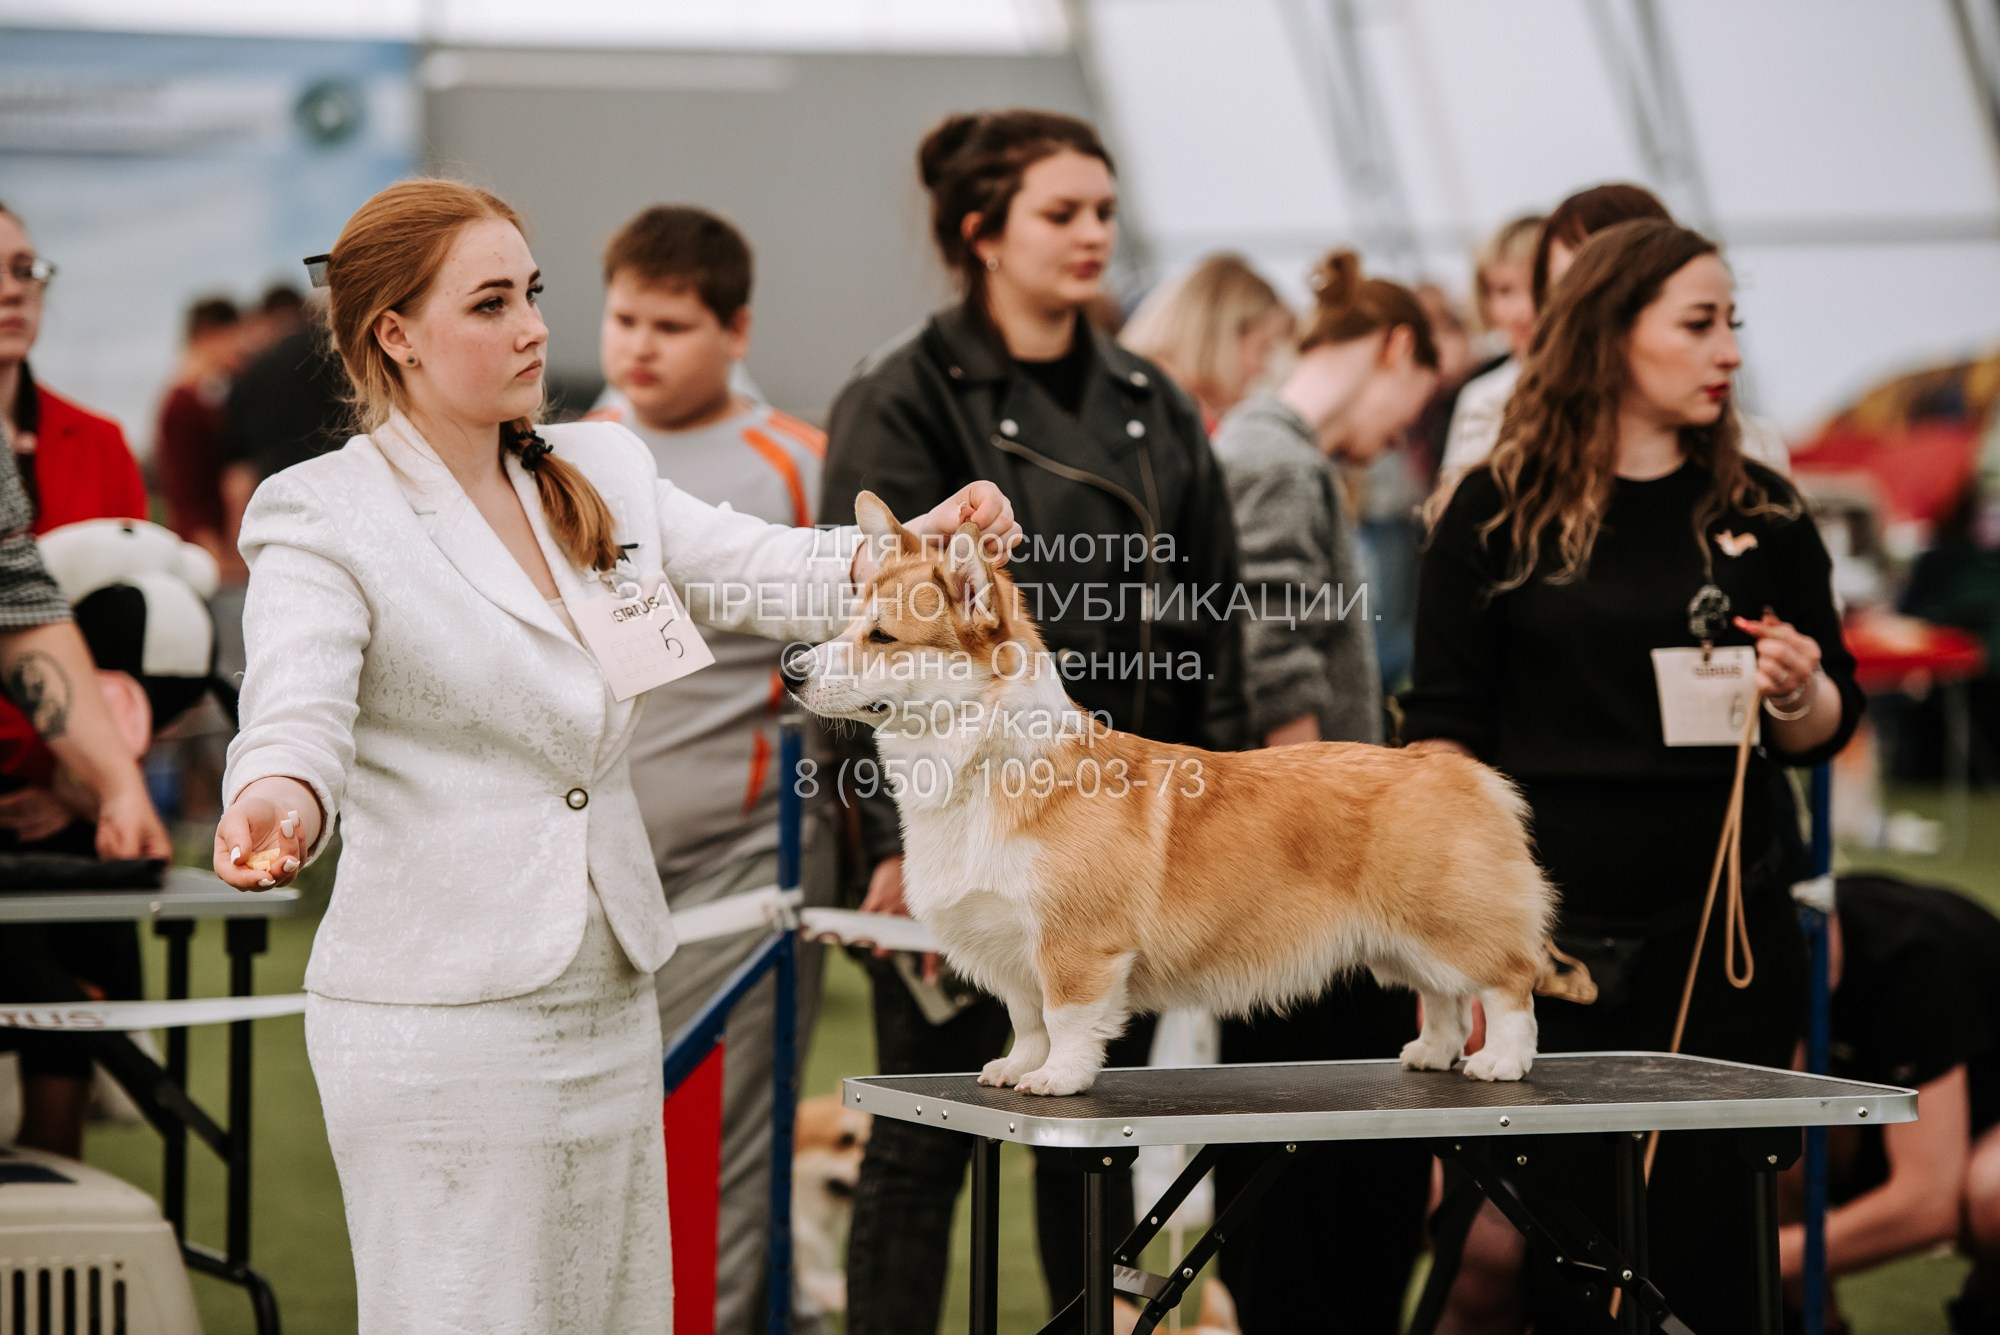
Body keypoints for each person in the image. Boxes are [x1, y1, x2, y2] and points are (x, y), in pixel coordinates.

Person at [209, 177, 1019, 1333]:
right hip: (438, 1014)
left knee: (618, 1311)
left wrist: (915, 542)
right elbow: (296, 706)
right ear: (394, 332)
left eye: (532, 293)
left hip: (608, 988)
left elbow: (765, 568)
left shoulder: (604, 464)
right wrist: (274, 797)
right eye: (491, 303)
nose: (535, 325)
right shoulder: (318, 513)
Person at [819, 108, 1250, 1334]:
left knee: (1093, 1139)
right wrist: (882, 847)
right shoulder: (897, 394)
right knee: (916, 1153)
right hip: (944, 833)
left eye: (1104, 212)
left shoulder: (1149, 398)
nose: (1094, 236)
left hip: (1125, 827)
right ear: (980, 232)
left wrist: (1216, 789)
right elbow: (865, 644)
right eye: (1062, 213)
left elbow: (1211, 614)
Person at [1405, 218, 1863, 1332]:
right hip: (1547, 939)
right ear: (1609, 337)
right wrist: (1450, 939)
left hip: (1723, 936)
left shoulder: (1760, 510)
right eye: (1698, 324)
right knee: (1568, 1250)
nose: (1729, 352)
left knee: (1712, 1243)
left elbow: (1825, 728)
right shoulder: (1491, 511)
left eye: (1731, 324)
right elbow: (1442, 746)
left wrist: (1798, 690)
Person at [595, 202, 836, 1333]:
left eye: (671, 324)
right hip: (590, 870)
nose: (638, 345)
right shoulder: (571, 449)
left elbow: (855, 675)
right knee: (596, 1153)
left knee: (727, 1163)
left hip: (745, 872)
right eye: (623, 317)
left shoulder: (798, 465)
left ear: (734, 329)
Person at [1208, 248, 1440, 1332]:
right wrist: (1321, 846)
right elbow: (1272, 652)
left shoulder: (1274, 451)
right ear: (1392, 350)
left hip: (1291, 859)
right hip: (1303, 868)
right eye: (1409, 408)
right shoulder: (1273, 457)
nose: (1394, 437)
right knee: (1321, 1169)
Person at [1777, 872, 2000, 1333]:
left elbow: (1927, 1206)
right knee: (1765, 1139)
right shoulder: (1751, 971)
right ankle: (1811, 1320)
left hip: (1984, 1121)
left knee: (1992, 1194)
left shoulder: (1914, 956)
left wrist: (1770, 1257)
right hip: (1898, 1119)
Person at [1119, 253, 1294, 429]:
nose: (1262, 368)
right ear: (1224, 335)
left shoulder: (1146, 390)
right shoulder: (1165, 408)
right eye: (1263, 349)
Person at [155, 296, 248, 577]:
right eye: (232, 338)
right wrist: (216, 559)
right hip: (204, 552)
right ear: (208, 336)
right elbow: (187, 492)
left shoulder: (198, 400)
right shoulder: (183, 404)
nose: (240, 348)